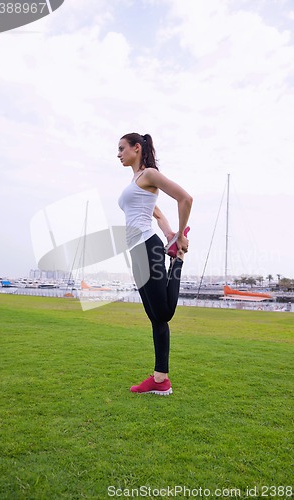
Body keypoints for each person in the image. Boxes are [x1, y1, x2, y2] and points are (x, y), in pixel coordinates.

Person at [118, 133, 193, 395]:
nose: (118, 154)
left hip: (147, 247)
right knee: (154, 316)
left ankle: (179, 260)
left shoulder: (149, 174)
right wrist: (171, 233)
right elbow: (158, 213)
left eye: (122, 148)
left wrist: (181, 235)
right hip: (136, 250)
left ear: (136, 148)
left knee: (163, 314)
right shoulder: (136, 181)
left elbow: (185, 198)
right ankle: (160, 380)